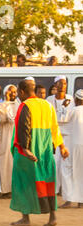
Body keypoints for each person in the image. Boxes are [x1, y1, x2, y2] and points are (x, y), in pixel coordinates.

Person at [10, 80, 69, 226]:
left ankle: (25, 218)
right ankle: (52, 217)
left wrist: (25, 149)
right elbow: (54, 128)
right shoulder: (47, 105)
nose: (18, 95)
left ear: (22, 92)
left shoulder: (25, 106)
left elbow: (24, 128)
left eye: (18, 92)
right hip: (46, 151)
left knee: (23, 182)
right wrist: (61, 146)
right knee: (47, 181)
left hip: (28, 151)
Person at [46, 76, 74, 204]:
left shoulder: (71, 100)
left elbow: (68, 118)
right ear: (55, 85)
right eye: (60, 83)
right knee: (54, 166)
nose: (63, 85)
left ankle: (67, 196)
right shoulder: (49, 100)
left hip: (67, 138)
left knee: (66, 167)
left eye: (65, 83)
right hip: (53, 137)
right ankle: (53, 192)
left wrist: (62, 110)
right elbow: (49, 119)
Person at [0, 84, 20, 196]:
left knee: (15, 162)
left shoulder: (19, 105)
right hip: (5, 136)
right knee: (5, 161)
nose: (13, 94)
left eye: (14, 92)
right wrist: (6, 115)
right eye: (10, 92)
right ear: (6, 93)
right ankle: (5, 189)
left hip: (16, 136)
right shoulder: (1, 105)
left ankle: (16, 189)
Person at [60, 90, 83, 208]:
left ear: (76, 100)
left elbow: (61, 121)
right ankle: (81, 202)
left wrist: (63, 107)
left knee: (67, 170)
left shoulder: (73, 110)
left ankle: (69, 200)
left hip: (73, 145)